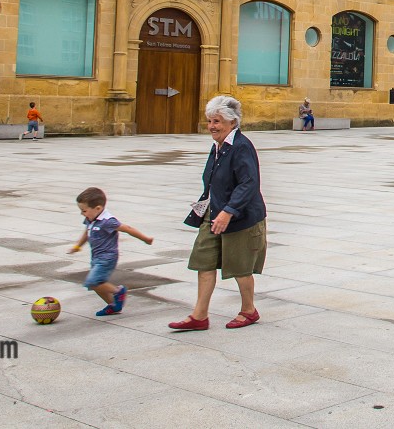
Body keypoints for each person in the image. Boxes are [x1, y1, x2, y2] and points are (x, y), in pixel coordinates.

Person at [169, 94, 267, 331]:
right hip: (214, 213)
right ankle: (199, 315)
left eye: (217, 121)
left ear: (232, 122)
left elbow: (249, 183)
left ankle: (249, 310)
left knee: (240, 267)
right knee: (204, 261)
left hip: (241, 218)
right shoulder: (218, 146)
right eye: (210, 121)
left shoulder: (241, 146)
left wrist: (229, 211)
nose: (212, 126)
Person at [69, 187, 153, 317]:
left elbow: (127, 228)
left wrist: (145, 239)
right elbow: (87, 231)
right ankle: (113, 305)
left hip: (107, 258)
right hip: (96, 257)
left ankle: (118, 291)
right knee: (96, 285)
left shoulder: (108, 221)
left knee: (93, 282)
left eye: (84, 211)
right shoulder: (91, 219)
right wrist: (78, 246)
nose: (82, 214)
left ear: (98, 208)